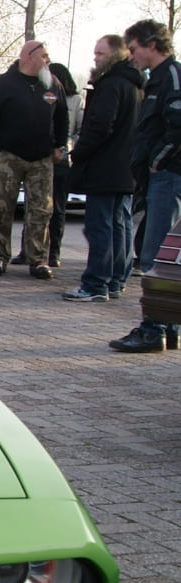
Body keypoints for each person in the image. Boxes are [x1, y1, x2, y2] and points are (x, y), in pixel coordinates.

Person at [109, 19, 181, 352]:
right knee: (163, 256)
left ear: (152, 44)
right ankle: (168, 326)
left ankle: (153, 329)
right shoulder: (157, 80)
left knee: (156, 255)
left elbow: (177, 126)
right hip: (160, 175)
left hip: (168, 175)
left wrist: (158, 160)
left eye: (134, 49)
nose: (132, 56)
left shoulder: (172, 77)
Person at [62, 34, 142, 306]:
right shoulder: (136, 86)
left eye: (100, 53)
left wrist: (79, 153)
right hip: (127, 168)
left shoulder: (110, 85)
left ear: (116, 55)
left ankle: (96, 283)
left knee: (101, 227)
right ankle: (116, 279)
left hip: (106, 168)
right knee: (121, 225)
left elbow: (99, 127)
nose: (95, 58)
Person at [0, 40, 68, 280]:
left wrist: (60, 146)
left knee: (41, 211)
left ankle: (38, 259)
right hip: (8, 157)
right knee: (1, 208)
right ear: (28, 56)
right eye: (44, 55)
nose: (47, 60)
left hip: (42, 159)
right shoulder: (1, 84)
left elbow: (62, 119)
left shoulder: (52, 85)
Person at [13, 63, 80, 266]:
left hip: (60, 159)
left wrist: (65, 147)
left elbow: (78, 129)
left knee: (56, 208)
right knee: (33, 206)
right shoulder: (39, 96)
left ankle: (53, 253)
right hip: (39, 155)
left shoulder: (75, 100)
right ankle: (28, 250)